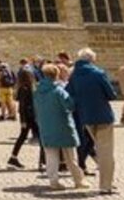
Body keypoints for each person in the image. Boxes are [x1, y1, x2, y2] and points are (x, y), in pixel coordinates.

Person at [67, 48, 117, 194]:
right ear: (91, 59)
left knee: (100, 149)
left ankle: (106, 182)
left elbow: (69, 94)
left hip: (86, 117)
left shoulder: (74, 75)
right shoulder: (98, 73)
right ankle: (105, 185)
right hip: (103, 116)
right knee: (106, 151)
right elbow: (111, 94)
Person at [34, 63, 89, 191]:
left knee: (51, 156)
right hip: (63, 126)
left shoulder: (38, 91)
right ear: (56, 75)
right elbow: (70, 105)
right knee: (70, 157)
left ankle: (53, 181)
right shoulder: (59, 91)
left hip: (46, 126)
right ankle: (78, 180)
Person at [8, 67, 42, 170]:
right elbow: (23, 106)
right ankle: (42, 161)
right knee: (41, 138)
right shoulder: (25, 89)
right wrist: (23, 120)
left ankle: (13, 157)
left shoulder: (25, 88)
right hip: (30, 117)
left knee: (23, 137)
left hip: (29, 117)